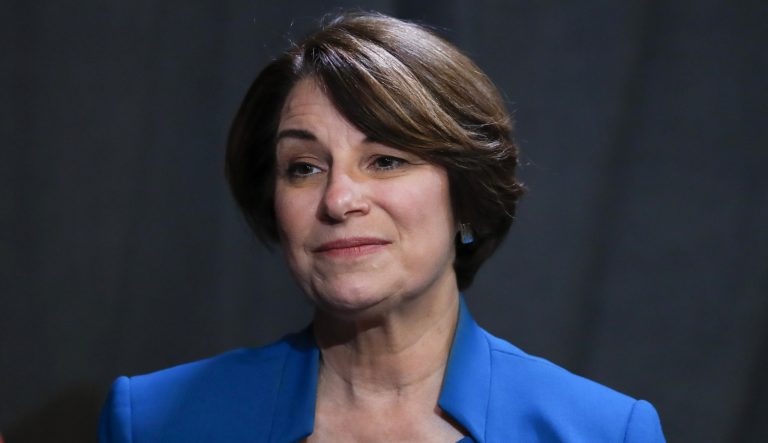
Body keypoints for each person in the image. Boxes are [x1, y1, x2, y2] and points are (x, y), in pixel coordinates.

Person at [99, 11, 665, 443]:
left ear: (465, 196)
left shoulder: (605, 431)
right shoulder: (153, 422)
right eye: (304, 168)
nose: (340, 199)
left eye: (386, 160)